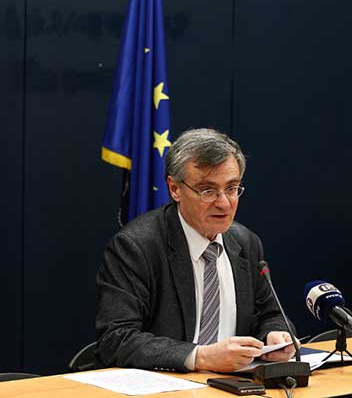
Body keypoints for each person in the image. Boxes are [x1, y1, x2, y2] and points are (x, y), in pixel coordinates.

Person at [96, 128, 297, 373]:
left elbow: (271, 314)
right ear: (175, 188)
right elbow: (116, 339)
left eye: (232, 188)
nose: (224, 203)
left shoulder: (246, 243)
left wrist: (276, 334)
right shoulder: (136, 246)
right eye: (207, 190)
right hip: (168, 385)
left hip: (236, 383)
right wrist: (200, 357)